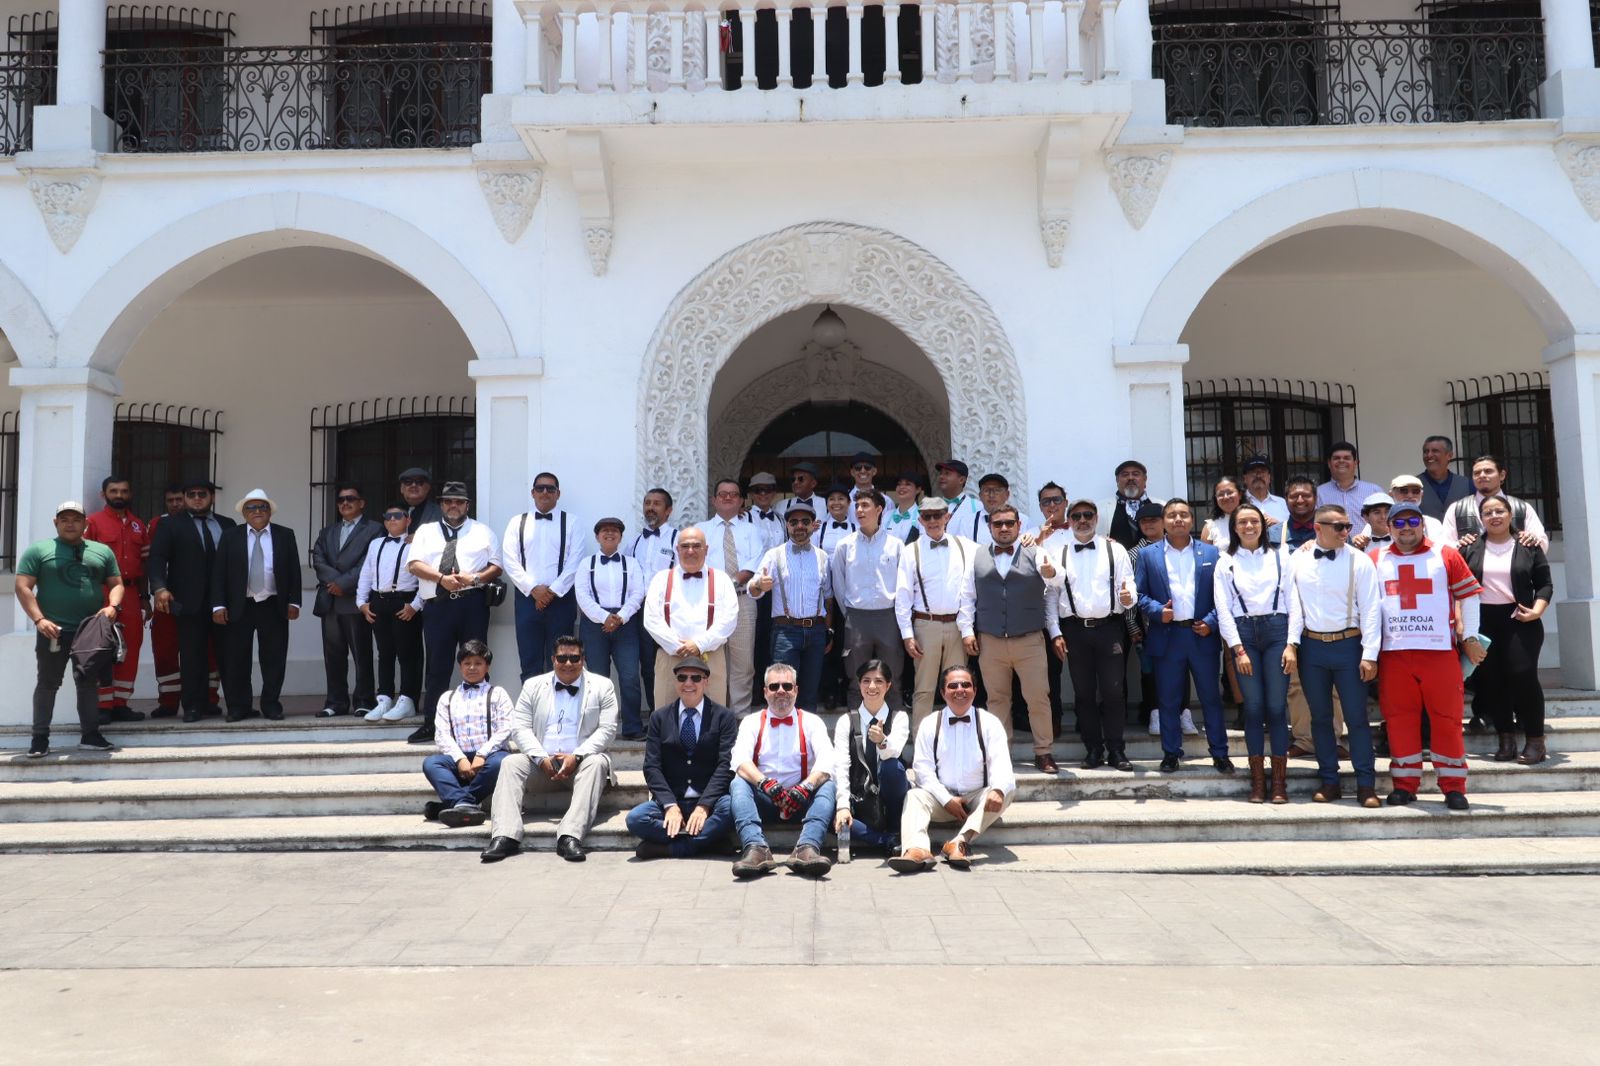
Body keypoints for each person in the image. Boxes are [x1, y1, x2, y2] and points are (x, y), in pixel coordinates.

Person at [1371, 502, 1485, 811]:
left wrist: (1470, 636)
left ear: (1422, 524)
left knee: (1447, 719)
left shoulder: (1445, 554)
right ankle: (1404, 785)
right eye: (1398, 522)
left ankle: (1454, 787)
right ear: (1388, 527)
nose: (1406, 527)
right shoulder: (1375, 558)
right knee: (1399, 720)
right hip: (1394, 653)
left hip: (1439, 652)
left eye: (1412, 521)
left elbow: (1469, 596)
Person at [481, 635, 618, 863]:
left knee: (597, 762)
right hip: (542, 765)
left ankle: (570, 836)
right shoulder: (533, 685)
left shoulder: (603, 686)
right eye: (562, 658)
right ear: (553, 659)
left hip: (581, 765)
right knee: (510, 763)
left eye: (574, 658)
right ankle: (505, 835)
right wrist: (541, 758)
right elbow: (520, 727)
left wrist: (576, 756)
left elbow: (608, 730)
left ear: (583, 659)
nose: (568, 663)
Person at [1284, 504, 1383, 807]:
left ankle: (1366, 784)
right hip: (1312, 647)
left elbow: (1371, 609)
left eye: (1347, 526)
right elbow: (1293, 605)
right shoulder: (1298, 559)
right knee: (1320, 718)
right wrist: (1292, 644)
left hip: (1349, 645)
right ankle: (1329, 781)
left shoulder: (1359, 560)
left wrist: (1370, 653)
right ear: (1318, 528)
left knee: (1356, 718)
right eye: (1339, 527)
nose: (1345, 532)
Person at [16, 500, 125, 756]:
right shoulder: (39, 550)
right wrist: (39, 620)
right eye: (64, 519)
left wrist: (113, 606)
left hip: (90, 632)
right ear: (55, 523)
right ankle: (40, 739)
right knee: (48, 683)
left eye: (76, 519)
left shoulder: (101, 551)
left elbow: (117, 584)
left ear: (86, 523)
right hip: (53, 630)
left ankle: (91, 735)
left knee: (87, 683)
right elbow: (22, 586)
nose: (70, 524)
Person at [1134, 499, 1232, 774]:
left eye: (1184, 515)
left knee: (1210, 697)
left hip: (1201, 634)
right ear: (1164, 521)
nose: (1178, 519)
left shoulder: (1210, 553)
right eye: (1172, 515)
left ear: (1192, 520)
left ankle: (1220, 753)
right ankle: (1171, 753)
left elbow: (1223, 595)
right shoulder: (1148, 555)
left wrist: (1211, 621)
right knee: (1168, 699)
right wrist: (1157, 611)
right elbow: (1139, 594)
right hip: (1167, 635)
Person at [889, 666, 1015, 872]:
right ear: (942, 692)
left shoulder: (990, 723)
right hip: (941, 797)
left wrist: (998, 790)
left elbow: (1001, 763)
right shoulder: (930, 723)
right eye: (953, 686)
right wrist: (946, 799)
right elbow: (922, 769)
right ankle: (916, 850)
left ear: (975, 690)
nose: (960, 690)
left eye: (966, 685)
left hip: (977, 798)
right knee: (914, 796)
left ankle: (959, 843)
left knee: (1006, 790)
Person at [1044, 498, 1137, 772]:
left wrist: (1128, 598)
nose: (1082, 520)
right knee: (1083, 694)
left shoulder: (1115, 549)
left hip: (1110, 628)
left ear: (1096, 518)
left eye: (1088, 515)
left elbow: (1129, 585)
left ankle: (1117, 750)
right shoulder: (1059, 553)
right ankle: (1093, 749)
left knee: (1113, 692)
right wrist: (1054, 632)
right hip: (1074, 631)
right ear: (1069, 520)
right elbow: (1052, 596)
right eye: (1076, 516)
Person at [1460, 496, 1553, 765]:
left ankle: (1535, 741)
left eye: (1499, 511)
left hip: (1520, 619)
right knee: (1492, 680)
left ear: (1510, 514)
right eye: (1488, 513)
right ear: (1481, 519)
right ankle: (1506, 739)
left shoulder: (1528, 546)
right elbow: (1458, 586)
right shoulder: (1470, 548)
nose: (1494, 516)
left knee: (1523, 675)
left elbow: (1544, 584)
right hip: (1482, 621)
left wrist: (1536, 610)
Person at [408, 482, 502, 744]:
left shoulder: (482, 531)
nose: (453, 506)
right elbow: (413, 565)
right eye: (448, 501)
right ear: (441, 504)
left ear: (467, 505)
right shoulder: (426, 531)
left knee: (476, 661)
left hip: (472, 604)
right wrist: (441, 579)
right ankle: (432, 724)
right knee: (437, 666)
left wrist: (475, 578)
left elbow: (496, 566)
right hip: (438, 605)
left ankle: (482, 722)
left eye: (459, 501)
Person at [966, 503, 1057, 772]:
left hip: (1029, 638)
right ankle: (1000, 754)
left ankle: (1044, 752)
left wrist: (1052, 573)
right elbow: (967, 596)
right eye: (998, 524)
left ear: (1019, 525)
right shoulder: (976, 556)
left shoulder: (1036, 551)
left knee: (1038, 697)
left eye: (1009, 523)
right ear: (989, 527)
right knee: (997, 700)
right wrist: (967, 631)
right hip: (990, 639)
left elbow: (1056, 580)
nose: (1004, 528)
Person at [1213, 502, 1292, 803]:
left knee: (1276, 707)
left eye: (1254, 521)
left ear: (1263, 525)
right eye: (1242, 522)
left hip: (1277, 631)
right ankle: (1258, 781)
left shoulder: (1281, 556)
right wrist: (1237, 649)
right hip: (1244, 633)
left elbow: (1293, 601)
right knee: (1254, 708)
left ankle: (1279, 782)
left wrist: (1292, 644)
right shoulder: (1225, 561)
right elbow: (1223, 609)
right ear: (1234, 528)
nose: (1249, 527)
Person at [728, 663, 837, 879]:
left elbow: (827, 760)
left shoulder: (812, 721)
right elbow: (739, 760)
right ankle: (756, 848)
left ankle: (807, 848)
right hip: (764, 800)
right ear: (765, 692)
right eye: (774, 686)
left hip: (802, 801)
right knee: (738, 783)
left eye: (787, 686)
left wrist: (805, 787)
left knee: (828, 786)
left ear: (796, 690)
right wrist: (764, 783)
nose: (781, 691)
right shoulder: (751, 722)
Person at [627, 655, 738, 859]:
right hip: (673, 799)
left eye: (696, 678)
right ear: (675, 682)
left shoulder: (724, 717)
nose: (688, 683)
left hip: (710, 801)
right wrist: (670, 806)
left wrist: (704, 806)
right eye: (682, 677)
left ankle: (674, 848)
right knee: (635, 819)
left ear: (706, 682)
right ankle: (708, 842)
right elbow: (651, 767)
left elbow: (726, 765)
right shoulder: (659, 717)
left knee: (733, 809)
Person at [147, 478, 235, 723]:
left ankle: (235, 705)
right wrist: (159, 588)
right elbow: (157, 558)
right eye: (192, 494)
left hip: (223, 601)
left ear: (212, 497)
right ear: (185, 498)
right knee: (192, 655)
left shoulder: (228, 524)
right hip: (188, 601)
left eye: (202, 494)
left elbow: (238, 561)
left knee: (227, 654)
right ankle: (193, 706)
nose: (197, 498)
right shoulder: (170, 524)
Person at [211, 489, 302, 723]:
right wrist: (218, 605)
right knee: (236, 658)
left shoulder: (285, 535)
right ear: (244, 513)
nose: (257, 511)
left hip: (273, 605)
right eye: (251, 507)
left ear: (270, 512)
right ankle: (238, 707)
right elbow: (219, 572)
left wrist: (294, 601)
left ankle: (271, 705)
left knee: (274, 658)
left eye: (263, 507)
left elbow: (294, 570)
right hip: (239, 606)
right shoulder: (231, 536)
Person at [895, 497, 977, 733]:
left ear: (947, 517)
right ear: (920, 520)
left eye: (937, 515)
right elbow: (902, 596)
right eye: (927, 516)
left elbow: (995, 552)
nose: (932, 520)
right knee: (924, 688)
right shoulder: (911, 551)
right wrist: (907, 635)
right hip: (925, 624)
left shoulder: (965, 546)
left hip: (957, 625)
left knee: (959, 686)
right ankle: (921, 742)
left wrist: (968, 629)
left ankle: (959, 737)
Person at [748, 502, 834, 714]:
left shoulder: (822, 556)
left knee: (810, 693)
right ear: (787, 526)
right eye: (794, 522)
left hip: (816, 631)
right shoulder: (774, 555)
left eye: (805, 521)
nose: (799, 526)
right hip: (785, 632)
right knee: (782, 691)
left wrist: (829, 630)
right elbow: (752, 589)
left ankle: (807, 733)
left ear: (813, 525)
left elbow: (828, 598)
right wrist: (759, 585)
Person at [502, 472, 586, 681]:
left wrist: (551, 592)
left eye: (550, 488)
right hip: (527, 599)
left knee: (562, 659)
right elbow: (510, 560)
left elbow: (575, 561)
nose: (545, 492)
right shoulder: (517, 522)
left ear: (558, 493)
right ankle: (532, 703)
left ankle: (560, 701)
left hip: (561, 600)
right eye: (540, 488)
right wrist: (533, 589)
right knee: (529, 660)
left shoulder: (572, 522)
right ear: (533, 493)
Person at [422, 640, 513, 828]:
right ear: (460, 666)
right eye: (467, 663)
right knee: (431, 763)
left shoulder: (498, 693)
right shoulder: (447, 697)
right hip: (459, 758)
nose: (472, 668)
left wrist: (482, 754)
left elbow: (506, 728)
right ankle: (466, 803)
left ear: (487, 666)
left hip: (490, 757)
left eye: (478, 663)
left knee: (502, 762)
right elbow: (442, 734)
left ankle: (457, 802)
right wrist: (460, 759)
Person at [643, 527, 738, 707]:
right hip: (670, 656)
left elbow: (729, 618)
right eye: (685, 546)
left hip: (710, 657)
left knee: (713, 716)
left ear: (706, 549)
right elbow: (651, 619)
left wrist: (700, 644)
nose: (690, 551)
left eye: (696, 546)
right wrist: (678, 647)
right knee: (666, 714)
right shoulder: (661, 579)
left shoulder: (722, 579)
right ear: (677, 549)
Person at [311, 482, 382, 718]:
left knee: (362, 654)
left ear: (362, 503)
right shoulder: (327, 532)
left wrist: (344, 583)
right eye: (341, 500)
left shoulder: (374, 529)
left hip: (356, 600)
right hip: (331, 601)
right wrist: (336, 582)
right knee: (333, 655)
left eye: (350, 499)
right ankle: (336, 702)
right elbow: (318, 559)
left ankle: (364, 700)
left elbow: (368, 562)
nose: (345, 503)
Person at [830, 489, 904, 711]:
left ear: (879, 509)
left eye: (865, 505)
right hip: (856, 618)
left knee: (892, 677)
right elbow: (839, 584)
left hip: (888, 617)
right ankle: (857, 729)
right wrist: (850, 614)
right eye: (857, 506)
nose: (859, 510)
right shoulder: (845, 545)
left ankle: (893, 729)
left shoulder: (896, 545)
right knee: (856, 677)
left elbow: (903, 584)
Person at [574, 517, 646, 740]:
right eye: (604, 531)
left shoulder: (631, 564)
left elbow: (638, 593)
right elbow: (582, 595)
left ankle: (632, 727)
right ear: (597, 537)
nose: (609, 534)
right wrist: (605, 617)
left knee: (630, 676)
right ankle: (598, 729)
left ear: (620, 537)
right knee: (597, 678)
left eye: (615, 531)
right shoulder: (586, 564)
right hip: (594, 624)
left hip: (626, 623)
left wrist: (620, 617)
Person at [84, 475, 148, 723]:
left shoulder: (138, 525)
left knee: (130, 646)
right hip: (101, 591)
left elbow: (143, 565)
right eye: (114, 491)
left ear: (130, 494)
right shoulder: (93, 522)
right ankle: (104, 704)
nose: (119, 495)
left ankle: (121, 703)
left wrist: (145, 598)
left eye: (123, 491)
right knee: (102, 647)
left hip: (131, 593)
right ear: (104, 494)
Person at [701, 478, 766, 715]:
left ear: (740, 501)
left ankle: (740, 715)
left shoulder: (751, 530)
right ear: (714, 500)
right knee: (712, 659)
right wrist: (718, 587)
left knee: (743, 662)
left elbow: (755, 560)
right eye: (723, 494)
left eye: (733, 494)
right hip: (709, 602)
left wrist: (730, 582)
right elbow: (696, 562)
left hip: (743, 599)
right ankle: (716, 715)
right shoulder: (701, 530)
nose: (728, 497)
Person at [832, 659, 910, 855]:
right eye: (866, 681)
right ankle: (886, 840)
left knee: (892, 766)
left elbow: (894, 752)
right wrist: (843, 806)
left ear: (888, 686)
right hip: (860, 798)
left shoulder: (899, 717)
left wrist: (882, 741)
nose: (872, 687)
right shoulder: (846, 721)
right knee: (828, 810)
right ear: (859, 684)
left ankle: (895, 828)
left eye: (879, 681)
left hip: (892, 797)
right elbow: (841, 766)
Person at [357, 503, 424, 722]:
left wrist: (416, 605)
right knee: (384, 653)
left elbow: (425, 577)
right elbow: (366, 573)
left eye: (397, 515)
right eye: (388, 516)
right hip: (379, 601)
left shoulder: (417, 543)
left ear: (408, 520)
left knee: (408, 653)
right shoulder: (376, 544)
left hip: (404, 601)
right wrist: (361, 602)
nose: (392, 519)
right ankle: (384, 698)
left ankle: (407, 699)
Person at [145, 484, 195, 717]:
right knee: (165, 649)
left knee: (204, 649)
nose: (175, 504)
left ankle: (208, 699)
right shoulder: (157, 524)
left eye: (178, 499)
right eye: (170, 500)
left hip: (195, 597)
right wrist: (155, 590)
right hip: (165, 598)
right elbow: (151, 561)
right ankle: (168, 701)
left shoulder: (199, 522)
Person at [629, 487, 679, 711]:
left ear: (668, 510)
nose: (650, 507)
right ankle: (656, 715)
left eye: (656, 503)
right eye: (647, 503)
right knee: (648, 666)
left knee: (673, 663)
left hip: (670, 611)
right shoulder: (634, 543)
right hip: (641, 610)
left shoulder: (679, 539)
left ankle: (675, 714)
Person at [1442, 454, 1549, 551]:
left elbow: (1542, 543)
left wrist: (1531, 540)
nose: (1482, 475)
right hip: (1469, 567)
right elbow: (1444, 546)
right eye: (1477, 473)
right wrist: (1460, 546)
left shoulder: (1522, 507)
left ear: (1502, 475)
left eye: (1488, 471)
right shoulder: (1456, 509)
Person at [1128, 502, 1168, 734]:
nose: (1149, 524)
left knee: (1177, 669)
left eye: (1154, 519)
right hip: (1145, 623)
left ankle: (1180, 713)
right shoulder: (1133, 554)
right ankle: (1153, 713)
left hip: (1175, 620)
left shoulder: (1174, 548)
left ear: (1164, 521)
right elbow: (1128, 593)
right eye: (1144, 521)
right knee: (1149, 670)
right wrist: (1132, 625)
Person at [1099, 458, 1163, 550]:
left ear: (1145, 479)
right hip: (1116, 558)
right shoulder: (1100, 508)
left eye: (1136, 474)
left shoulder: (1162, 506)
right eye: (1125, 474)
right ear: (1117, 480)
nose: (1130, 478)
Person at [965, 473, 1033, 547]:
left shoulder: (1024, 521)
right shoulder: (967, 522)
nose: (991, 495)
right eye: (987, 490)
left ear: (1007, 494)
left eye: (997, 490)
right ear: (980, 495)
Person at [1316, 441, 1381, 517]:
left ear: (1356, 463)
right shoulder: (1318, 493)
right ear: (1329, 463)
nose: (1341, 461)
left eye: (1347, 458)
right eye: (1336, 458)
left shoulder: (1374, 491)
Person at [1419, 434, 1475, 521]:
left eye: (1435, 451)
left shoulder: (1467, 484)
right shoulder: (1413, 485)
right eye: (1426, 451)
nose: (1429, 455)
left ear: (1449, 455)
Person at [1382, 476, 1448, 542]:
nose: (1410, 496)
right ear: (1391, 494)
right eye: (1404, 491)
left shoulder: (1433, 524)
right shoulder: (1381, 523)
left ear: (1421, 494)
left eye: (1415, 491)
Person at [935, 459, 983, 535]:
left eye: (947, 473)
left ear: (961, 480)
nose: (941, 477)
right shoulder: (932, 506)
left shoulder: (977, 506)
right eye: (941, 473)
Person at [1240, 455, 1289, 527]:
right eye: (1253, 472)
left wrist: (1278, 527)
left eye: (1262, 472)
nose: (1258, 476)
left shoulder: (1282, 503)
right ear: (1244, 479)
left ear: (1269, 477)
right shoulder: (1239, 502)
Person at [743, 472, 786, 550]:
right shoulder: (744, 517)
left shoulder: (781, 519)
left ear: (774, 493)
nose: (763, 493)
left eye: (768, 490)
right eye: (757, 490)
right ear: (751, 494)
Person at [1199, 476, 1242, 551]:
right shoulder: (1210, 527)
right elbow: (1205, 555)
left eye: (1230, 493)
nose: (1226, 497)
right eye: (1220, 494)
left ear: (1240, 495)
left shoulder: (1254, 520)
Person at [815, 483, 858, 555]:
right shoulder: (818, 530)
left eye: (841, 499)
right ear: (827, 503)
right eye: (832, 499)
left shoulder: (857, 530)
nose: (836, 503)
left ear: (849, 502)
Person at [399, 467, 442, 532]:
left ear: (427, 488)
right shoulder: (392, 512)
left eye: (419, 482)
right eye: (408, 482)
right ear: (402, 488)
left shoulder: (439, 512)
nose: (413, 485)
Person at [884, 471, 924, 542]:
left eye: (907, 484)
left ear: (918, 490)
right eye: (899, 484)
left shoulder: (922, 516)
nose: (902, 487)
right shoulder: (887, 515)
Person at [1282, 477, 1319, 550]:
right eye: (1294, 496)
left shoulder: (1332, 532)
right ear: (1286, 500)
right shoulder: (1272, 534)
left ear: (1315, 499)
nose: (1300, 500)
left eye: (1306, 496)